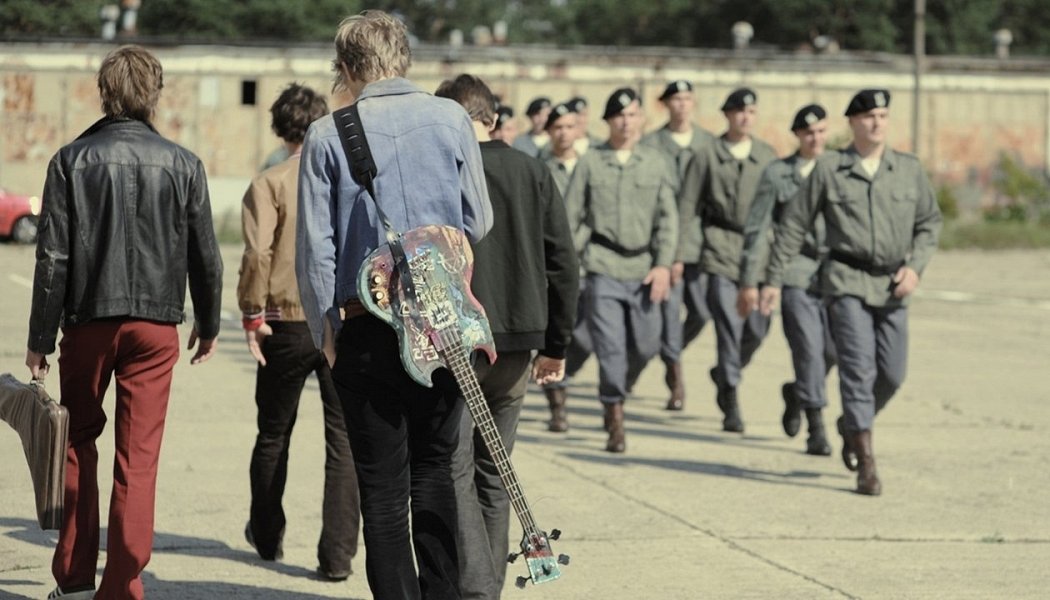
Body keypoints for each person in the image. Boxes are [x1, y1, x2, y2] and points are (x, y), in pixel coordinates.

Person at [295, 11, 492, 600]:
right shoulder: (452, 118)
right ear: (403, 56)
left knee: (382, 492)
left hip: (367, 324)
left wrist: (325, 332)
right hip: (441, 323)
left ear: (346, 65)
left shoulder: (328, 134)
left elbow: (316, 251)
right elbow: (478, 219)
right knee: (436, 470)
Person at [24, 45, 223, 600]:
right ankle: (122, 586)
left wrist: (40, 339)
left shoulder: (70, 160)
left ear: (103, 93)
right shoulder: (184, 163)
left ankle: (73, 580)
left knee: (76, 441)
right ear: (154, 95)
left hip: (88, 322)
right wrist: (209, 323)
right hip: (156, 328)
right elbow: (207, 256)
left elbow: (53, 257)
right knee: (138, 458)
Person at [435, 74, 578, 600]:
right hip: (518, 344)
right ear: (493, 119)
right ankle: (487, 589)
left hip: (458, 343)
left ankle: (473, 588)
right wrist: (556, 345)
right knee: (495, 471)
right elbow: (564, 263)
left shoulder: (443, 169)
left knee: (454, 469)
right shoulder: (533, 170)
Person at [759, 89, 942, 496]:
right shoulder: (830, 169)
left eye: (883, 115)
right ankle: (866, 460)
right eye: (869, 116)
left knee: (891, 374)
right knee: (857, 370)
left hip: (892, 284)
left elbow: (929, 222)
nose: (877, 123)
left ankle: (850, 424)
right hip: (845, 282)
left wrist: (915, 267)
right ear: (853, 123)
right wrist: (772, 279)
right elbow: (793, 226)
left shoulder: (908, 169)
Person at [237, 83, 360, 580]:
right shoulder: (342, 177)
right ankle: (337, 555)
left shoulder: (268, 183)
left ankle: (267, 535)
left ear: (278, 127)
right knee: (344, 439)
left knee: (273, 432)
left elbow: (258, 253)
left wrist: (252, 313)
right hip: (341, 318)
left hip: (284, 320)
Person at [564, 87, 678, 453]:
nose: (626, 123)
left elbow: (668, 220)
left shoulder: (656, 163)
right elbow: (570, 217)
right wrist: (570, 266)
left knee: (647, 345)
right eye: (619, 116)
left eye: (632, 115)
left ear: (641, 119)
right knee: (610, 347)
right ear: (608, 121)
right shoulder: (591, 162)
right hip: (602, 266)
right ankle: (614, 415)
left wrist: (663, 265)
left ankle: (619, 388)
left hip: (644, 269)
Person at [676, 87, 777, 433]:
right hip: (719, 247)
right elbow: (687, 206)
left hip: (758, 250)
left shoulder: (766, 156)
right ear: (728, 115)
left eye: (751, 111)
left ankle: (724, 372)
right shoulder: (707, 154)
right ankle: (730, 396)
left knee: (758, 327)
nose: (745, 117)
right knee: (728, 326)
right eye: (739, 112)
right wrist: (677, 256)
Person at [737, 103, 835, 456]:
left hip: (836, 272)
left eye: (821, 131)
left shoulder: (838, 169)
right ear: (797, 136)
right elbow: (758, 228)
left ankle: (797, 393)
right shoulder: (778, 174)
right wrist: (753, 281)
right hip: (794, 269)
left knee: (831, 351)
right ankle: (816, 427)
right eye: (808, 133)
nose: (816, 138)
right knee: (808, 348)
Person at [640, 79, 716, 411]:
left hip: (699, 243)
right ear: (666, 104)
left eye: (687, 98)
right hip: (664, 242)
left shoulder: (708, 143)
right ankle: (676, 381)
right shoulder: (651, 144)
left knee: (701, 311)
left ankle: (671, 351)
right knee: (670, 315)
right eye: (676, 99)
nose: (682, 104)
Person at [539, 101, 592, 433]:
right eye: (557, 127)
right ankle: (557, 403)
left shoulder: (592, 164)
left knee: (587, 335)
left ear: (579, 128)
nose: (564, 133)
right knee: (555, 331)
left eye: (570, 126)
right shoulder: (539, 168)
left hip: (590, 262)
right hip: (552, 265)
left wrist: (577, 243)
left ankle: (565, 372)